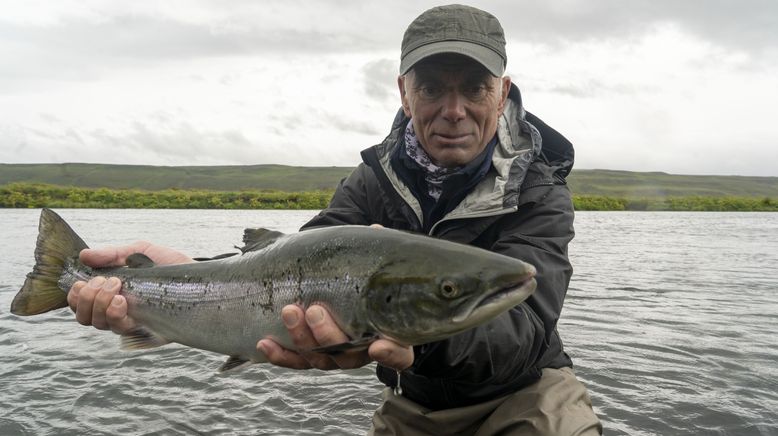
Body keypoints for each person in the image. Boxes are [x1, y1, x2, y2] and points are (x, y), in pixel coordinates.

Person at [68, 4, 602, 435]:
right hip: (412, 402)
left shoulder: (541, 193)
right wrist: (186, 272)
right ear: (404, 93)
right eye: (433, 87)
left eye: (474, 88)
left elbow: (524, 330)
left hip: (527, 396)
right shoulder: (371, 180)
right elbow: (281, 268)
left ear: (503, 92)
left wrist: (420, 336)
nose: (454, 109)